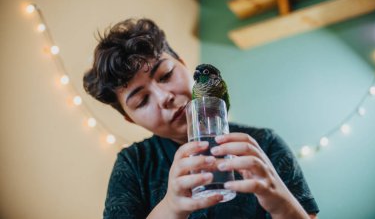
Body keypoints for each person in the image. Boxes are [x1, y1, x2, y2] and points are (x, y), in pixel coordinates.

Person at [83, 18, 320, 219]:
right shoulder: (133, 164)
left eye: (166, 75)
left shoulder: (264, 143)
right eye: (141, 101)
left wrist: (282, 204)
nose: (165, 97)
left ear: (184, 65)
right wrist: (170, 207)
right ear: (130, 119)